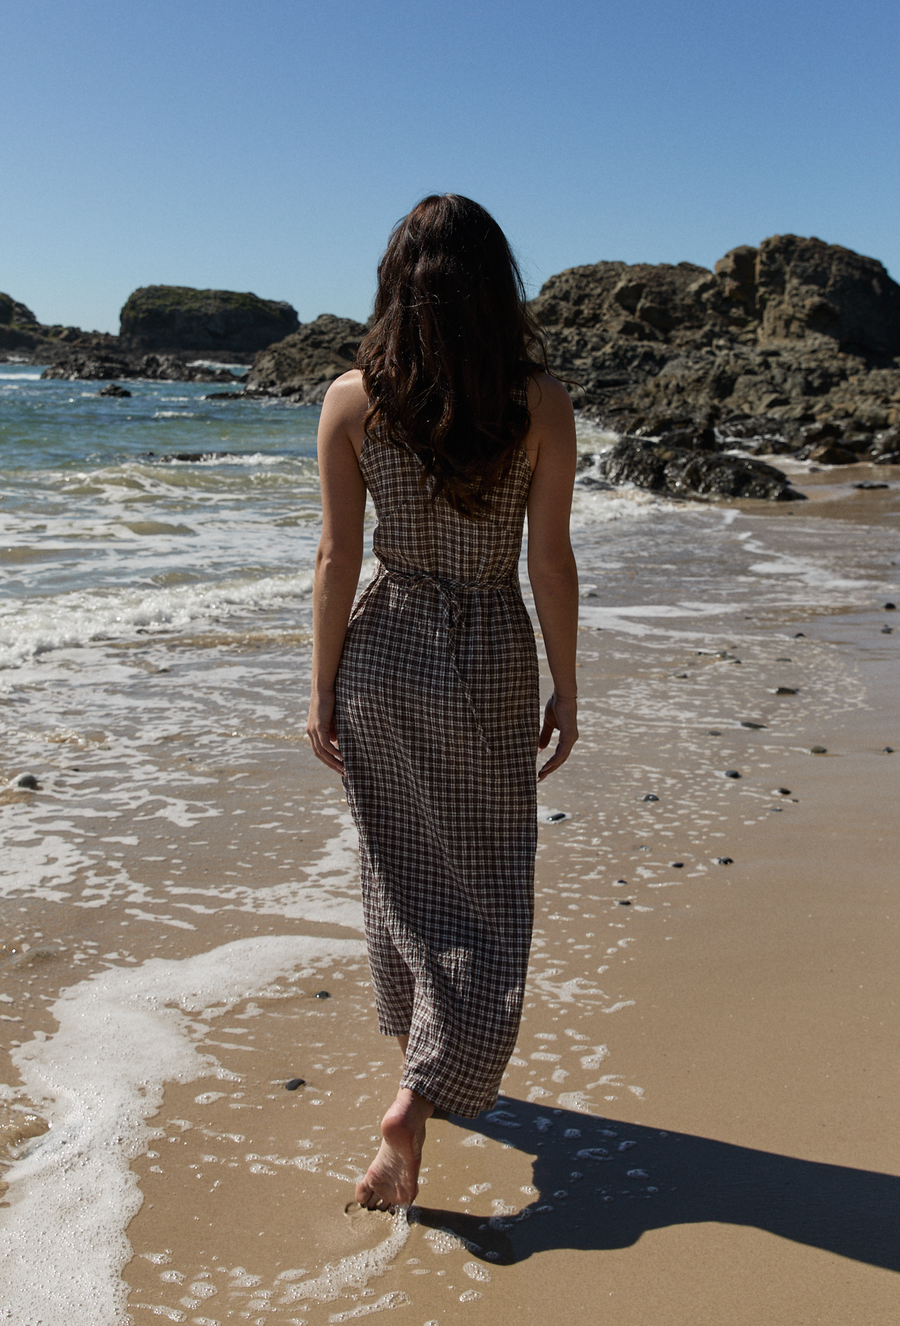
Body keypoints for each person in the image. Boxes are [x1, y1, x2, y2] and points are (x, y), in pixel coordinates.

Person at [307, 194, 579, 1213]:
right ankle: (419, 1096)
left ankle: (426, 1070)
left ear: (396, 286)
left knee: (405, 876)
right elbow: (550, 563)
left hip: (381, 651)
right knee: (489, 886)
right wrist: (569, 686)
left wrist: (319, 690)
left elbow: (336, 560)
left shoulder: (350, 401)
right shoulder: (539, 402)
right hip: (491, 654)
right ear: (495, 286)